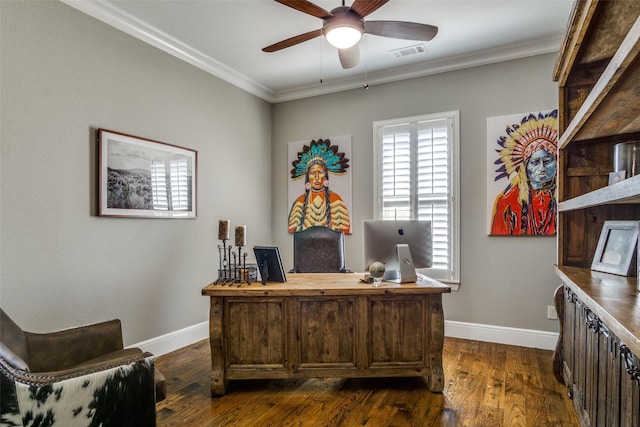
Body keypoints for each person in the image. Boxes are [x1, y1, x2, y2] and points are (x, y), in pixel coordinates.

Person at [490, 110, 559, 235]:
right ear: (525, 167)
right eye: (535, 162)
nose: (542, 168)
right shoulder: (507, 202)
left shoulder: (560, 198)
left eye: (548, 161)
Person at [288, 139, 351, 233]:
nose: (317, 177)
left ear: (325, 176)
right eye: (313, 173)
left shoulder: (336, 200)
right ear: (308, 177)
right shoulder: (299, 202)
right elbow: (292, 229)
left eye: (320, 172)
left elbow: (345, 230)